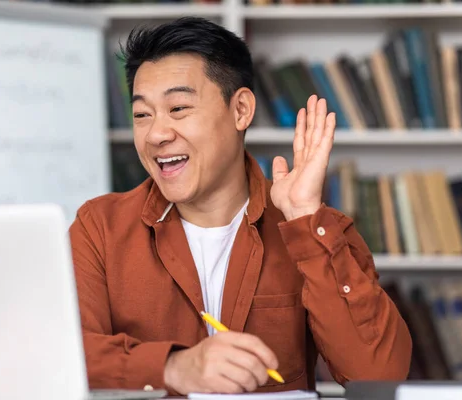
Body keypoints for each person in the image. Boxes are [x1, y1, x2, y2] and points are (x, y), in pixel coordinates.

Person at [69, 16, 412, 396]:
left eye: (178, 108)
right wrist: (173, 366)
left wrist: (303, 219)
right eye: (141, 115)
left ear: (241, 110)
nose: (156, 135)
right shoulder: (99, 227)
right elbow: (61, 353)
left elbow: (380, 375)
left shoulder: (314, 228)